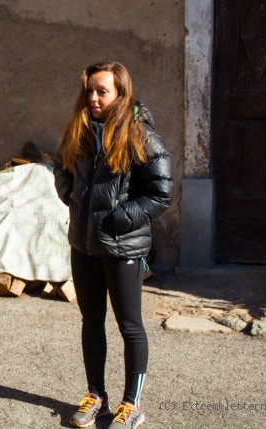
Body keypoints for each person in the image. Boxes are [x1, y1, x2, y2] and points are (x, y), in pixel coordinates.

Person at [53, 62, 173, 429]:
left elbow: (160, 193)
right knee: (92, 321)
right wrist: (70, 195)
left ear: (120, 93)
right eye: (89, 90)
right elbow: (62, 166)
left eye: (102, 91)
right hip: (84, 244)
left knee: (130, 326)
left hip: (124, 247)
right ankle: (96, 396)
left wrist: (120, 219)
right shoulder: (81, 129)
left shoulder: (141, 135)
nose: (92, 97)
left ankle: (131, 404)